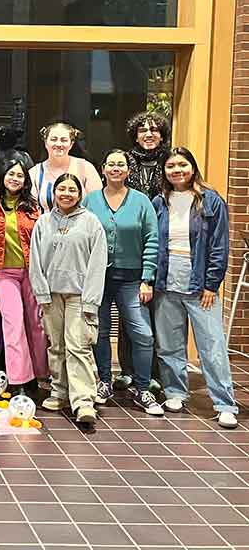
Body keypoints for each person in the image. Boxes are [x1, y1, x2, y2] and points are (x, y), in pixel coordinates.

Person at [152, 147, 238, 429]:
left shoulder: (210, 200)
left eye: (182, 165)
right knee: (169, 344)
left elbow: (219, 246)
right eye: (171, 166)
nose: (177, 170)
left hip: (201, 286)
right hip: (166, 283)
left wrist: (212, 283)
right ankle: (175, 392)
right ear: (164, 171)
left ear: (192, 167)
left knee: (211, 346)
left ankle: (224, 403)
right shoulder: (159, 201)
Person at [83, 150, 162, 415]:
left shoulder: (141, 202)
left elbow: (152, 240)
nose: (116, 168)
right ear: (103, 169)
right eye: (111, 164)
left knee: (142, 333)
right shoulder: (90, 201)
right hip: (98, 280)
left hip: (133, 280)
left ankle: (142, 389)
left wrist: (147, 279)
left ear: (128, 171)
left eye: (121, 165)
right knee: (101, 332)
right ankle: (104, 381)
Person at [29, 174, 107, 426]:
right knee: (56, 346)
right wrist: (41, 293)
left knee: (78, 346)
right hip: (51, 295)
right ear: (54, 192)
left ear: (80, 193)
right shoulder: (43, 223)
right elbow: (35, 262)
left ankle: (84, 401)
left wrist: (91, 300)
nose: (66, 194)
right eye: (61, 188)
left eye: (72, 189)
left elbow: (97, 265)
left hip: (79, 296)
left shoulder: (91, 223)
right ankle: (59, 391)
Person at [0, 160, 48, 396]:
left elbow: (42, 244)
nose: (15, 178)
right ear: (2, 176)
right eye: (11, 174)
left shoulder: (33, 207)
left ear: (26, 181)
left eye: (20, 175)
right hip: (3, 274)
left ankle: (40, 376)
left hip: (32, 272)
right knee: (13, 325)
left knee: (36, 327)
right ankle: (19, 382)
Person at [114, 111, 170, 391]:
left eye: (154, 129)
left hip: (164, 241)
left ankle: (155, 372)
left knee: (157, 311)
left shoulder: (170, 161)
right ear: (134, 135)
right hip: (131, 243)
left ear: (162, 134)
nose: (148, 134)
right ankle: (127, 369)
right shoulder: (125, 162)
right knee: (129, 311)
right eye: (142, 130)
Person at [29, 121, 102, 212]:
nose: (59, 144)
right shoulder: (34, 172)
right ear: (45, 142)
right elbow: (31, 210)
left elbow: (97, 205)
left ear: (71, 144)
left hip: (81, 224)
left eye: (63, 140)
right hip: (45, 225)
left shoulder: (86, 168)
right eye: (54, 139)